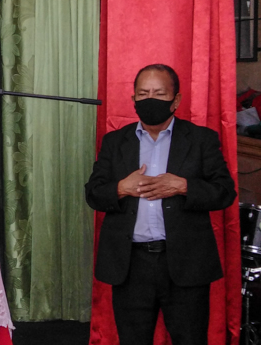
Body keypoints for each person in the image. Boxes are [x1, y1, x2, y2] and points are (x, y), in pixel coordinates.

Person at [85, 64, 236, 345]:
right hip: (131, 265)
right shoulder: (115, 142)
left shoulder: (201, 139)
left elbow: (225, 192)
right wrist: (121, 188)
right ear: (133, 99)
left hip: (185, 262)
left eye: (159, 93)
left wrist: (184, 186)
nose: (150, 99)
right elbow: (93, 194)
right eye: (143, 94)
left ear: (175, 100)